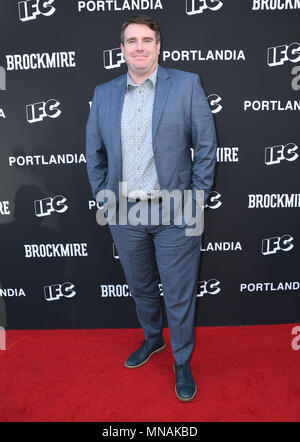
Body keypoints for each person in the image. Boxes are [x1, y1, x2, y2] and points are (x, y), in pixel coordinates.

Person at [86, 15, 217, 401]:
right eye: (131, 40)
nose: (139, 46)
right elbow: (94, 153)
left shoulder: (187, 85)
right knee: (142, 287)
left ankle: (181, 361)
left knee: (178, 292)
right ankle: (151, 339)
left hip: (176, 212)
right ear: (122, 48)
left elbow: (206, 147)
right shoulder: (105, 93)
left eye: (146, 39)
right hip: (125, 213)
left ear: (158, 46)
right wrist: (102, 196)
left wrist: (196, 199)